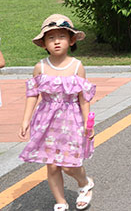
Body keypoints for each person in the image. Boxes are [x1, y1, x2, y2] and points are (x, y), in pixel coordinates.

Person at [18, 15, 96, 211]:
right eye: (51, 38)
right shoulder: (40, 67)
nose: (57, 42)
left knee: (69, 164)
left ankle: (84, 182)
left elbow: (83, 98)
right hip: (46, 121)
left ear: (71, 40)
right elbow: (32, 95)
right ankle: (60, 201)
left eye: (62, 37)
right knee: (52, 164)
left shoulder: (77, 66)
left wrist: (88, 124)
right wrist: (25, 120)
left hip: (71, 121)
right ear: (44, 43)